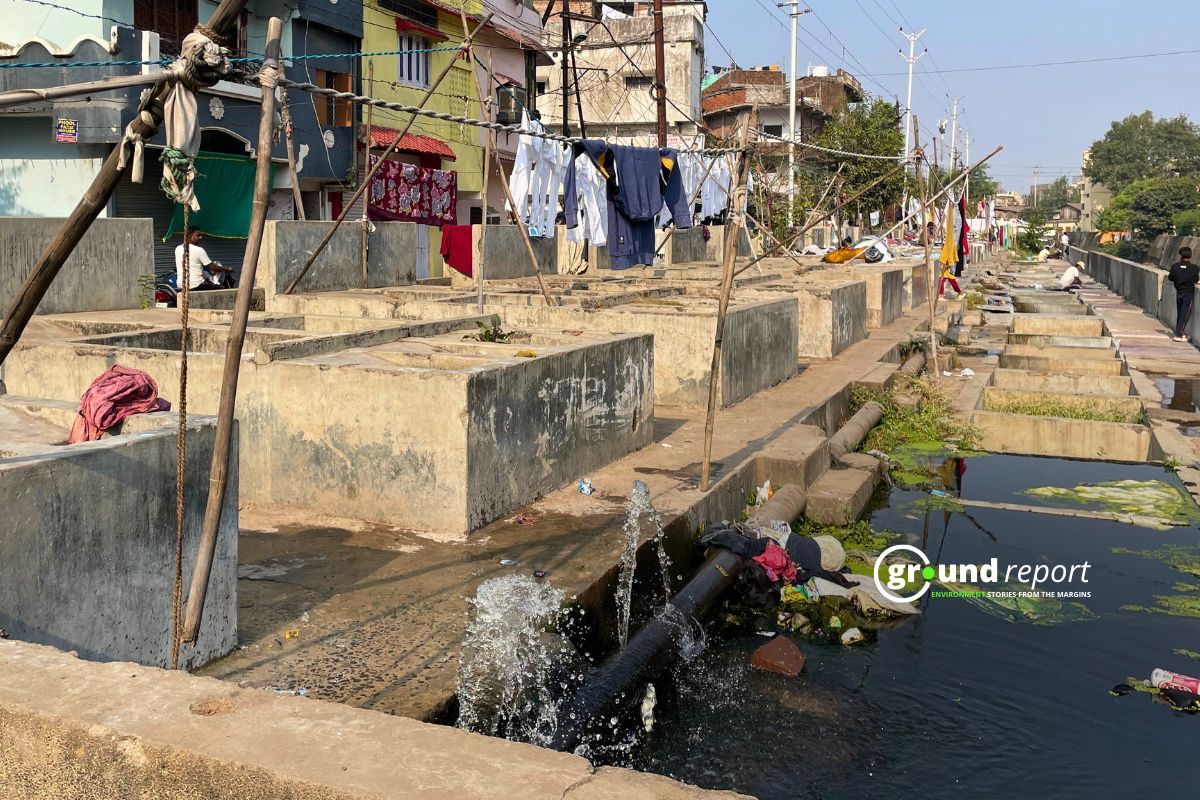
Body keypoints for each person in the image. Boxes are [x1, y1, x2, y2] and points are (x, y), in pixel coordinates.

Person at [1168, 246, 1199, 341]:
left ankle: (1180, 333)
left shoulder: (1175, 266)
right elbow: (1196, 279)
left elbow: (1170, 278)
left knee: (1180, 312)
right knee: (1185, 314)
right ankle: (1178, 335)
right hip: (1188, 293)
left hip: (1179, 292)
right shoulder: (1194, 268)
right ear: (1190, 256)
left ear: (1180, 255)